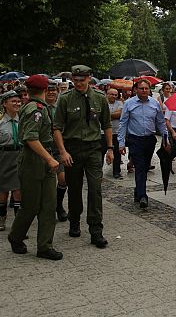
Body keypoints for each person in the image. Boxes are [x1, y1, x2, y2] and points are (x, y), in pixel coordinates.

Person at [53, 65, 112, 249]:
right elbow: (57, 128)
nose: (78, 83)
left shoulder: (100, 98)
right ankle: (74, 221)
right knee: (75, 188)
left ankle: (96, 230)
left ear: (89, 78)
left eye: (82, 79)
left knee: (95, 189)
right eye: (75, 80)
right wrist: (62, 151)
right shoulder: (65, 99)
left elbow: (107, 125)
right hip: (72, 149)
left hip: (94, 149)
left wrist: (110, 148)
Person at [8, 75, 62, 260]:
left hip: (43, 159)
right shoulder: (35, 109)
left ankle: (44, 246)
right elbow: (31, 138)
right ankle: (15, 237)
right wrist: (49, 159)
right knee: (30, 206)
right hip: (34, 161)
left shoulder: (41, 107)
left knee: (49, 204)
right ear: (45, 90)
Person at [118, 79, 169, 208]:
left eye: (146, 88)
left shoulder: (154, 103)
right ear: (136, 90)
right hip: (135, 140)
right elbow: (123, 123)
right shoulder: (129, 104)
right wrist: (121, 142)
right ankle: (142, 196)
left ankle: (138, 190)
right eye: (141, 88)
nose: (144, 91)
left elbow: (160, 122)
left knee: (145, 167)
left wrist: (165, 138)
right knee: (140, 167)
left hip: (150, 140)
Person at [45, 81, 68, 222]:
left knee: (63, 179)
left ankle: (59, 205)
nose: (52, 93)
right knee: (45, 182)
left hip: (59, 147)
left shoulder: (61, 107)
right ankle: (46, 207)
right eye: (49, 90)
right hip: (44, 148)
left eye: (54, 90)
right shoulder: (39, 107)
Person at [0, 91, 22, 231]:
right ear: (4, 104)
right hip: (4, 157)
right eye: (13, 101)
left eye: (18, 101)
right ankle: (1, 219)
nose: (16, 103)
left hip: (20, 156)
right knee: (2, 191)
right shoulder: (1, 122)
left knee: (18, 191)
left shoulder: (23, 120)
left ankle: (19, 224)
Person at [102, 87, 123, 179]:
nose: (114, 96)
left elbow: (121, 114)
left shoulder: (120, 103)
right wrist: (113, 115)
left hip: (116, 132)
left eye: (115, 95)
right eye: (111, 94)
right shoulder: (102, 103)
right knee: (100, 152)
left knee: (117, 153)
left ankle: (116, 172)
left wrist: (106, 115)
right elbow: (99, 115)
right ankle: (98, 171)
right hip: (102, 133)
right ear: (107, 94)